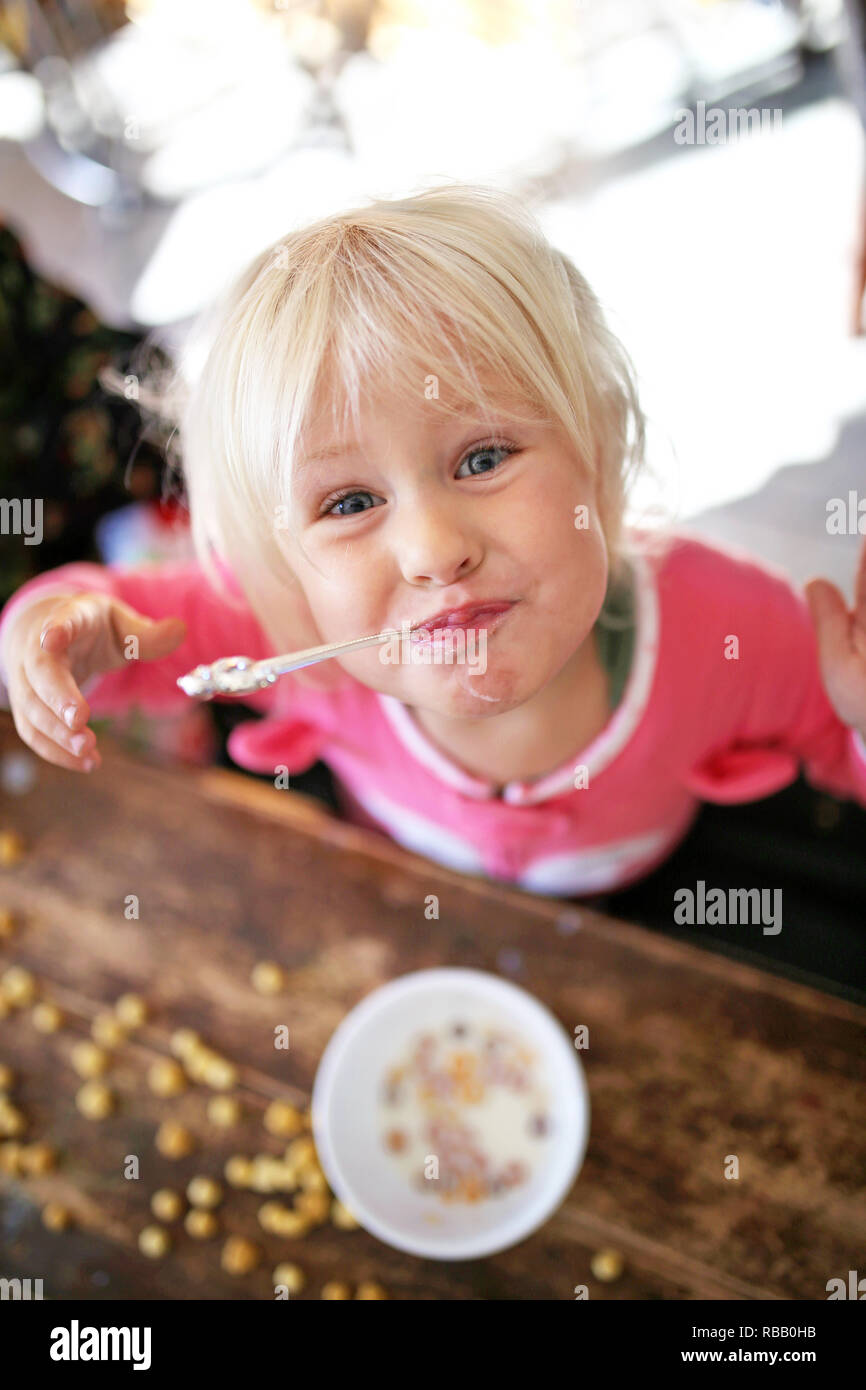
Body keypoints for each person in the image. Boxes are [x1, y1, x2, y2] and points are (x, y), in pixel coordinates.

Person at [1, 184, 865, 988]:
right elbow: (120, 635)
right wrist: (53, 632)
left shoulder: (733, 632)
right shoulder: (287, 639)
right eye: (349, 502)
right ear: (284, 568)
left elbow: (844, 748)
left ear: (597, 451)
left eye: (483, 458)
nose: (434, 550)